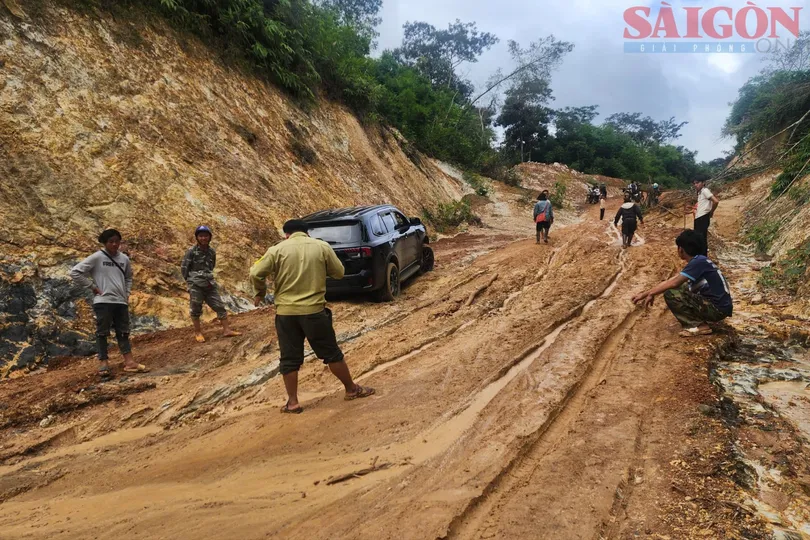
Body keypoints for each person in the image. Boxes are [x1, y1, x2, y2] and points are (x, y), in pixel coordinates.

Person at [249, 219, 375, 414]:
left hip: (286, 313)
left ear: (286, 235)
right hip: (314, 312)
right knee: (331, 353)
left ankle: (292, 403)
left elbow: (256, 272)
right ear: (307, 233)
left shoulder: (277, 250)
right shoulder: (321, 247)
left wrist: (260, 292)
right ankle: (351, 389)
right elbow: (339, 273)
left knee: (289, 359)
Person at [70, 229, 148, 376]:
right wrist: (92, 287)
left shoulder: (124, 259)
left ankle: (129, 362)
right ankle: (103, 363)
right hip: (103, 301)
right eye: (111, 241)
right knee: (102, 332)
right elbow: (75, 272)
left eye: (117, 241)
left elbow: (128, 278)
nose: (114, 244)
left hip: (120, 301)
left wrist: (126, 293)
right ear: (104, 243)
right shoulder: (97, 257)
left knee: (123, 332)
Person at [632, 229, 732, 337]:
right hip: (720, 307)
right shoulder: (700, 261)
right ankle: (700, 320)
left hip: (717, 310)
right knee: (682, 287)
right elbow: (671, 281)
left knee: (671, 293)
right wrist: (645, 294)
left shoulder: (698, 262)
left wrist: (652, 294)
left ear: (681, 249)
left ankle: (698, 326)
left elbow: (674, 283)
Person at [180, 225, 242, 343]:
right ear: (197, 238)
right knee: (196, 308)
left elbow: (211, 266)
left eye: (206, 236)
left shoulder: (211, 252)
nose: (203, 238)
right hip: (196, 285)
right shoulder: (191, 252)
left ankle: (227, 330)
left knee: (219, 306)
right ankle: (198, 332)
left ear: (210, 237)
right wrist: (190, 283)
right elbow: (184, 269)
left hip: (209, 283)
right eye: (201, 236)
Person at [693, 178, 719, 256]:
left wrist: (711, 212)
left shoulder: (705, 191)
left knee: (701, 238)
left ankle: (703, 257)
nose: (695, 185)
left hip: (703, 217)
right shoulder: (700, 193)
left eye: (697, 182)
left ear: (703, 183)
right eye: (694, 183)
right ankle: (699, 256)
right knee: (698, 237)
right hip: (699, 217)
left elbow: (716, 201)